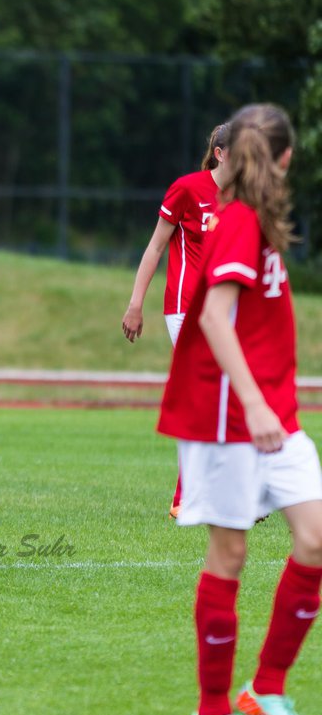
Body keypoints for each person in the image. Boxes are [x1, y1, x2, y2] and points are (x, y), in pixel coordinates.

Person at [157, 104, 322, 715]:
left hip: (273, 416)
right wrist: (253, 403)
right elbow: (215, 320)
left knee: (314, 540)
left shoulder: (261, 223)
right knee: (230, 554)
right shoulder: (237, 225)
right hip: (227, 418)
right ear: (283, 159)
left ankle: (266, 692)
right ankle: (211, 711)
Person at [123, 123, 231, 517]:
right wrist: (136, 303)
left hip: (220, 311)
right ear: (220, 152)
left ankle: (206, 493)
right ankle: (192, 495)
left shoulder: (242, 198)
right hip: (185, 308)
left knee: (220, 396)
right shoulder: (187, 189)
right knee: (214, 392)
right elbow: (154, 246)